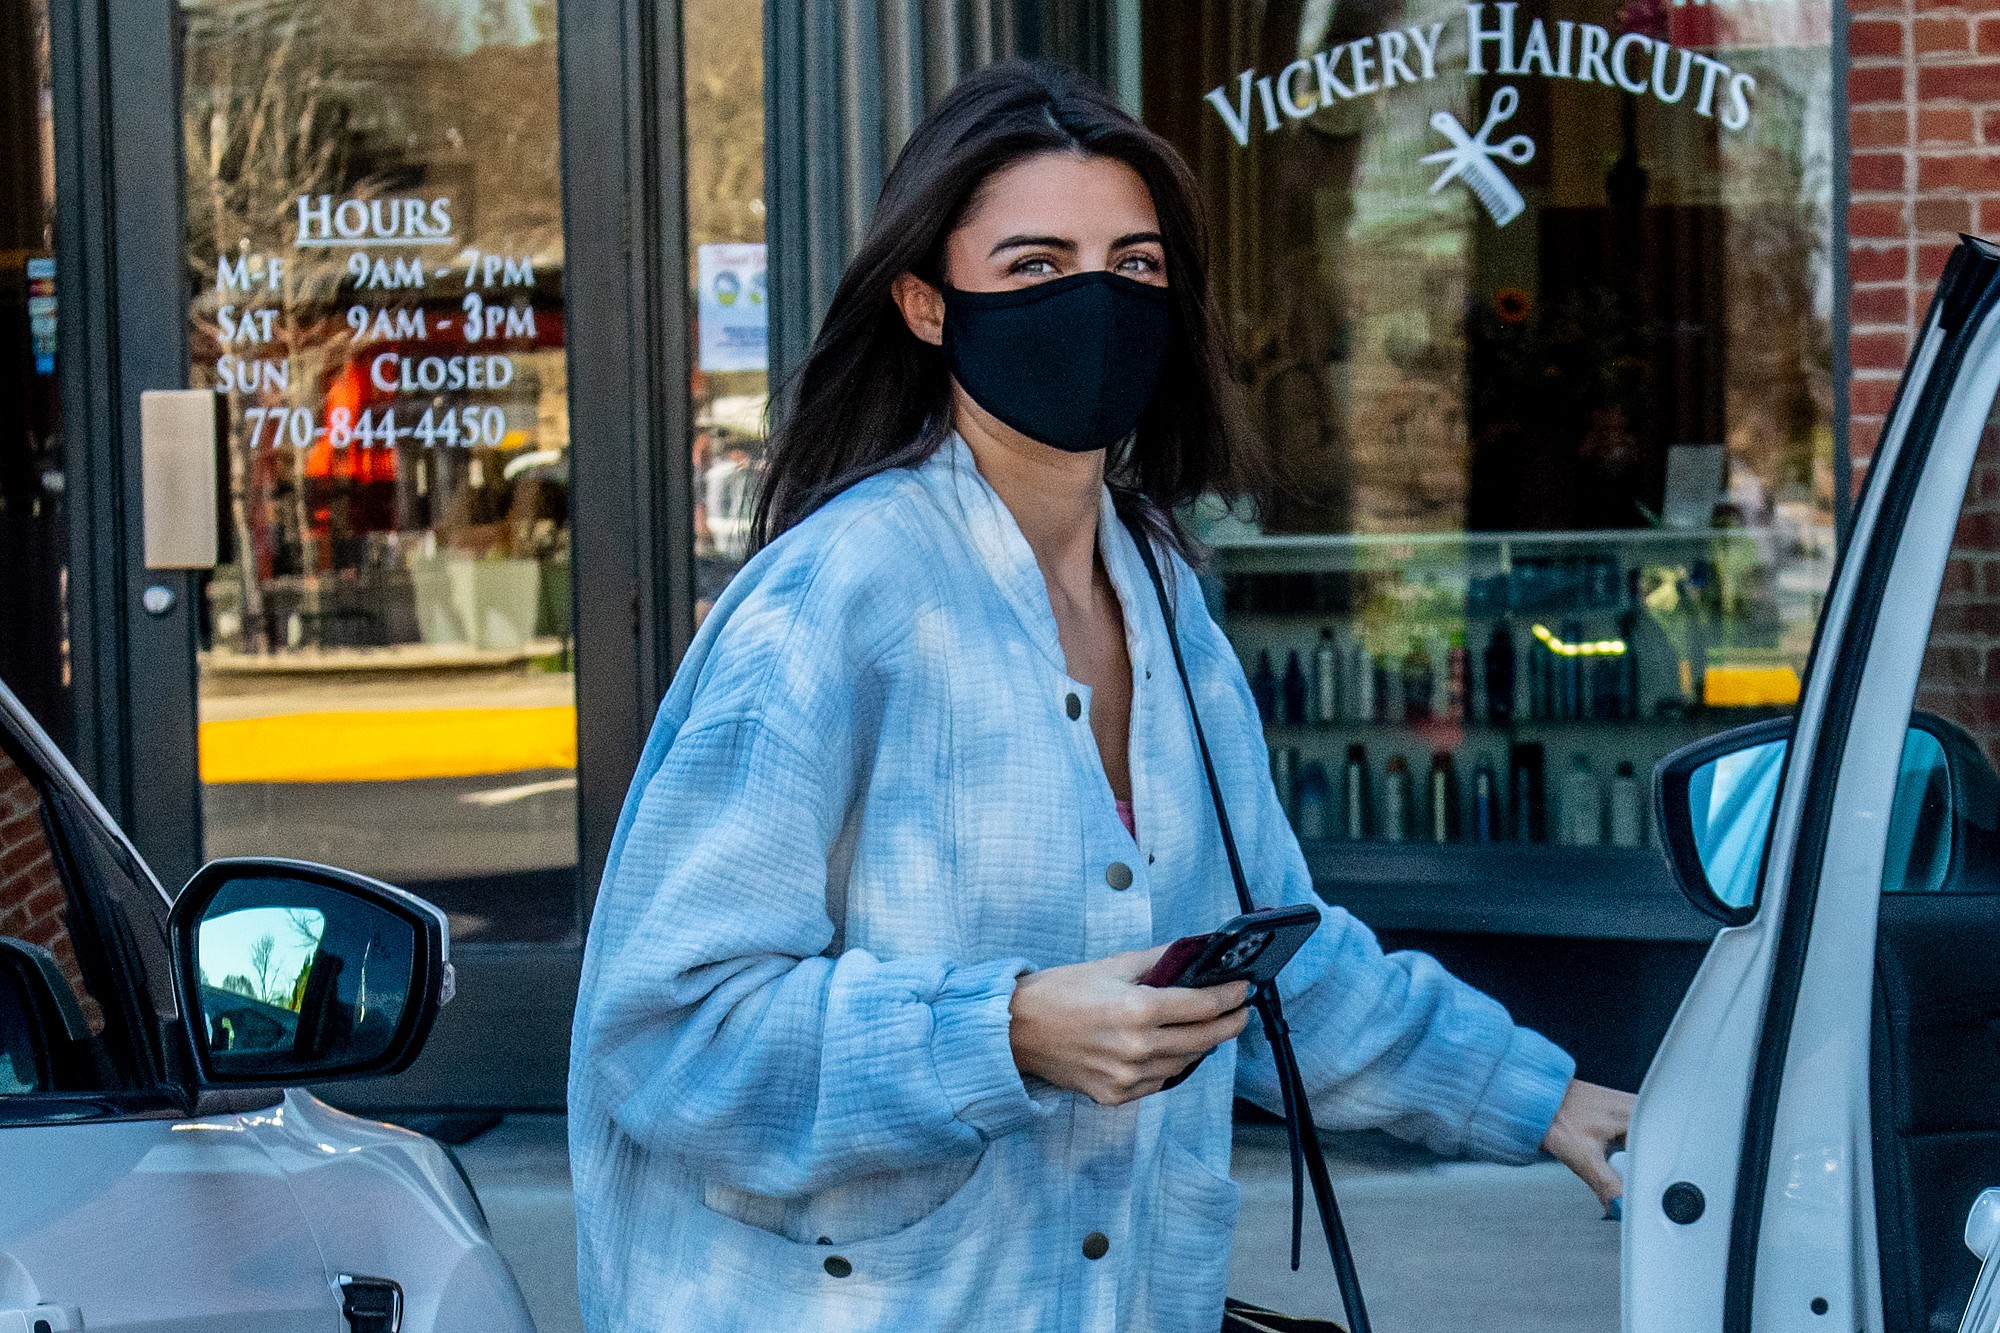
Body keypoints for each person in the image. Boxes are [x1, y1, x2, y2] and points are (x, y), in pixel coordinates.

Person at [569, 58, 1633, 1333]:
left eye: (1133, 265)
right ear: (924, 302)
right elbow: (670, 1031)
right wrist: (1004, 1033)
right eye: (1033, 265)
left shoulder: (1163, 599)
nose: (1094, 300)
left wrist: (1546, 1099)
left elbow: (1264, 958)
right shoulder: (836, 600)